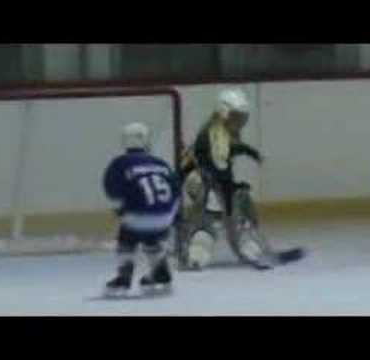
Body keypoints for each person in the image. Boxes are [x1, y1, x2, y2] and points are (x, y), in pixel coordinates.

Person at [180, 88, 266, 269]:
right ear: (223, 112)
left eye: (242, 116)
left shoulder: (224, 129)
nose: (241, 121)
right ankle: (200, 242)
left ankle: (207, 239)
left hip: (207, 177)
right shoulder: (215, 132)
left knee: (232, 201)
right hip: (199, 178)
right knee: (215, 204)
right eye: (236, 116)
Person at [102, 122, 180, 297]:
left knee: (127, 238)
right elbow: (176, 190)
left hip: (137, 217)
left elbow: (111, 188)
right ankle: (161, 274)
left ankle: (123, 278)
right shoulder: (161, 163)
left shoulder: (119, 163)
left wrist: (120, 210)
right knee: (152, 238)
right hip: (164, 217)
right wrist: (171, 214)